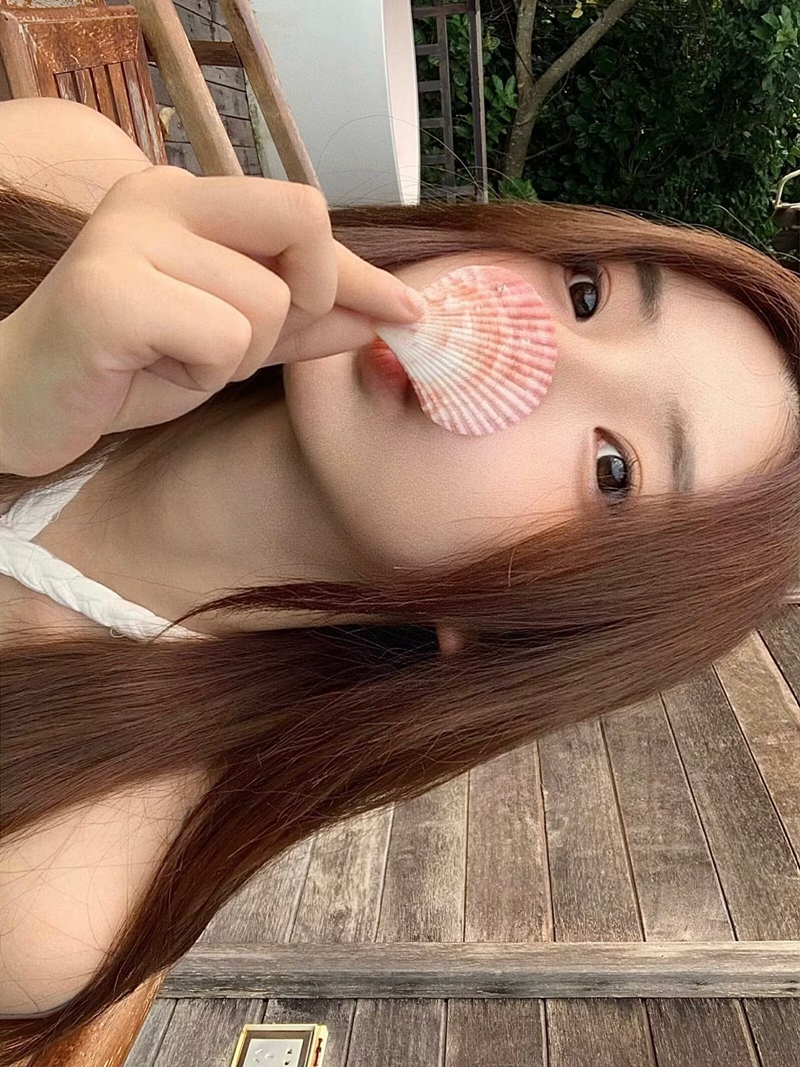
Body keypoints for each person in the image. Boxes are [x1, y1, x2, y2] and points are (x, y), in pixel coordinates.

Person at [0, 96, 798, 1063]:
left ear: (506, 628)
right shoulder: (57, 169)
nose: (539, 351)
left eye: (612, 470)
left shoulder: (48, 881)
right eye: (585, 292)